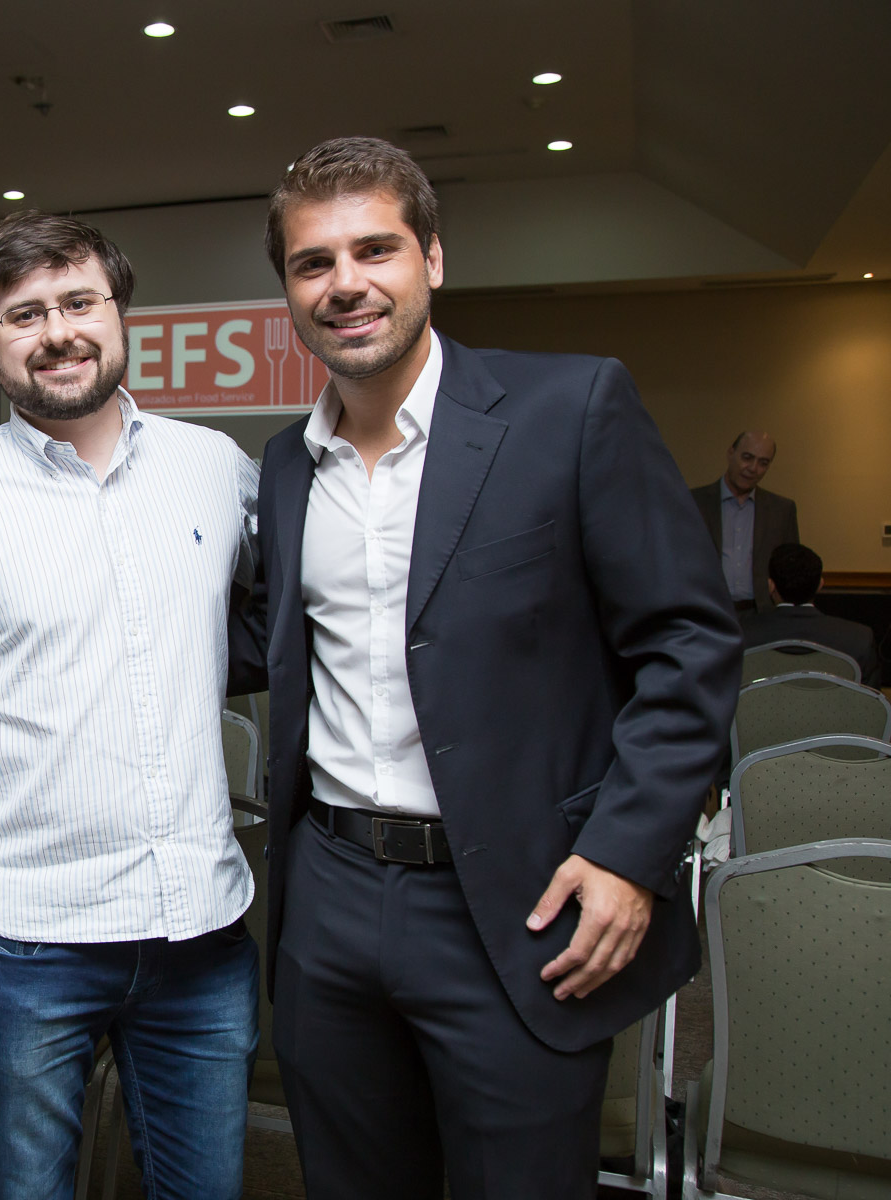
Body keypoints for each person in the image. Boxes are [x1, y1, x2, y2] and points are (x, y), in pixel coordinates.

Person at [229, 137, 740, 1200]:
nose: (345, 283)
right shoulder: (285, 465)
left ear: (433, 258)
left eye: (375, 249)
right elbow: (260, 639)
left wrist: (627, 854)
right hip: (328, 900)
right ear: (289, 291)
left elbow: (689, 643)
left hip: (519, 902)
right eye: (314, 263)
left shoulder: (570, 409)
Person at [0, 211, 261, 1199]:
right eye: (24, 314)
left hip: (200, 933)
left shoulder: (214, 468)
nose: (58, 332)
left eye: (80, 302)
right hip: (27, 943)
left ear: (119, 312)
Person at [742, 542, 881, 684]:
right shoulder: (859, 639)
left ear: (771, 586)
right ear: (820, 585)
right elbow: (871, 696)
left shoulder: (742, 635)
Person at [691, 432, 798, 613]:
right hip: (706, 612)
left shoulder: (782, 510)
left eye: (763, 463)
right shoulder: (693, 503)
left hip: (762, 615)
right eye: (747, 458)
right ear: (730, 453)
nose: (753, 468)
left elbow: (792, 570)